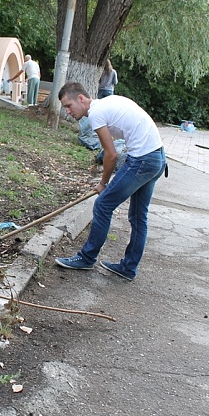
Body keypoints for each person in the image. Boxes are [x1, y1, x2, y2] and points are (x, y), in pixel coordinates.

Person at [54, 82, 166, 281]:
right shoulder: (107, 103)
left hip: (142, 159)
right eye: (65, 108)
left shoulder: (96, 113)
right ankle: (128, 268)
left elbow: (111, 154)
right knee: (139, 217)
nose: (68, 112)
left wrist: (103, 183)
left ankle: (86, 258)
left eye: (69, 106)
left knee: (103, 204)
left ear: (81, 98)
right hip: (158, 157)